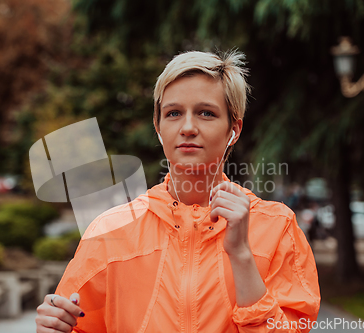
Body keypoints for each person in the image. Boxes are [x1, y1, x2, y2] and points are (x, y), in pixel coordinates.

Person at [36, 50, 321, 333]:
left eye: (206, 113)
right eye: (173, 113)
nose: (187, 127)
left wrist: (242, 256)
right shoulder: (110, 231)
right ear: (158, 128)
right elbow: (76, 326)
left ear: (233, 129)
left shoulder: (278, 228)